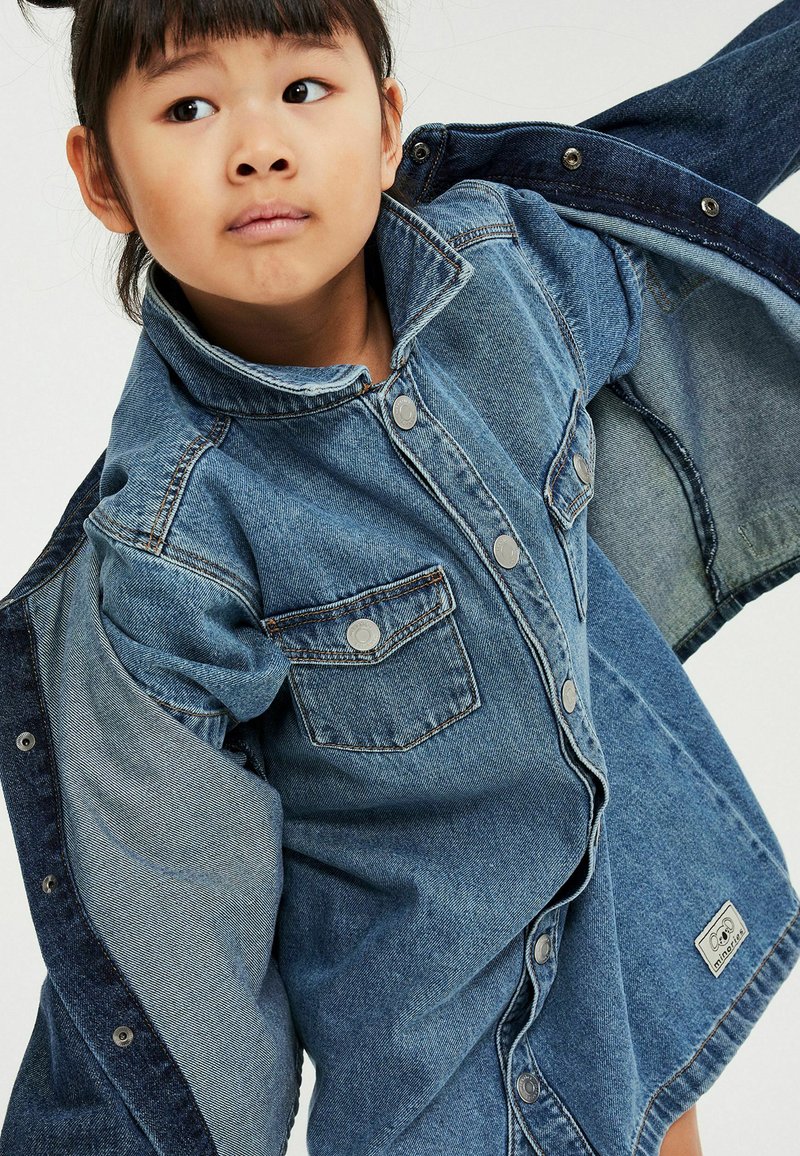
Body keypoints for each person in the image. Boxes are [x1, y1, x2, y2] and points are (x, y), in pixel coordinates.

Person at [2, 2, 799, 1154]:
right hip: (445, 1075)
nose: (258, 147)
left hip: (636, 943)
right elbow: (153, 934)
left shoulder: (509, 278)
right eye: (188, 106)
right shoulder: (174, 541)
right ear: (102, 177)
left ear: (385, 127)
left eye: (302, 90)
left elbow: (688, 162)